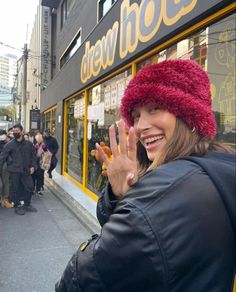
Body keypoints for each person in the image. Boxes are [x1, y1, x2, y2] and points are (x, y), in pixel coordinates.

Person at [55, 59, 236, 291]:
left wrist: (134, 201)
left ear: (189, 116)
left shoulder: (164, 196)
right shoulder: (214, 168)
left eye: (154, 108)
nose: (140, 126)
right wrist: (122, 195)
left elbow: (82, 278)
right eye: (136, 115)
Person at [0, 124, 37, 215]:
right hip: (14, 171)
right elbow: (2, 158)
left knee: (30, 186)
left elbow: (33, 156)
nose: (15, 132)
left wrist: (33, 166)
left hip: (26, 170)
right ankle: (17, 206)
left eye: (17, 131)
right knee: (15, 189)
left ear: (21, 131)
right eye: (14, 131)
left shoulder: (28, 144)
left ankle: (27, 204)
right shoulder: (9, 145)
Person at [0, 129, 13, 208]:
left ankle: (5, 200)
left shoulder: (8, 142)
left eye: (3, 134)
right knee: (0, 185)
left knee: (6, 182)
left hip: (4, 164)